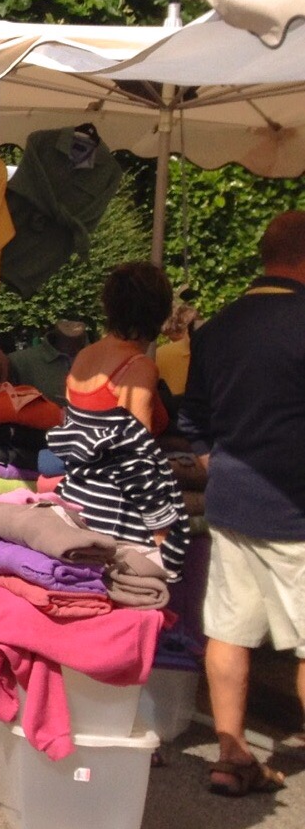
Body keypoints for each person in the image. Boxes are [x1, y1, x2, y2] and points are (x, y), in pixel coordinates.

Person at [183, 211, 305, 798]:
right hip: (295, 506)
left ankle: (231, 756)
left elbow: (193, 419)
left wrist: (217, 461)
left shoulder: (216, 328)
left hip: (233, 500)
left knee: (228, 630)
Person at [66, 262, 172, 435]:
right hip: (117, 462)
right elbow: (137, 449)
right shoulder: (138, 367)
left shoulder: (84, 355)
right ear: (159, 311)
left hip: (79, 461)